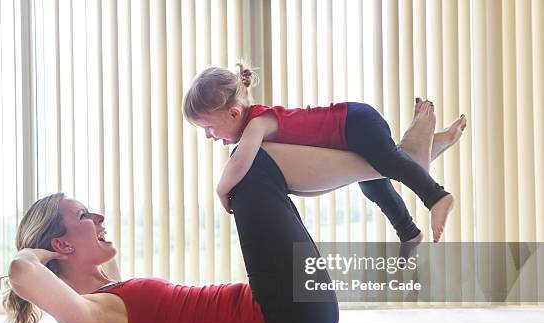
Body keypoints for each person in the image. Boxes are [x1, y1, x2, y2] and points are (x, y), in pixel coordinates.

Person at [0, 100, 465, 323]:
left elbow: (91, 261)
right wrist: (39, 254)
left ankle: (397, 161)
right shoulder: (92, 318)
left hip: (285, 310)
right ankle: (398, 161)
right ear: (59, 244)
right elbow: (22, 271)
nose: (99, 218)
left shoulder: (107, 289)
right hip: (284, 322)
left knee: (260, 163)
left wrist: (70, 247)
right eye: (84, 216)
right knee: (247, 164)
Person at [183, 64, 466, 242]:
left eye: (208, 127)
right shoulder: (257, 121)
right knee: (374, 187)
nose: (209, 136)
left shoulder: (258, 122)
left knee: (392, 163)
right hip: (351, 131)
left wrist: (222, 189)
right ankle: (409, 232)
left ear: (234, 113)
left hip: (353, 123)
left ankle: (437, 196)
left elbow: (241, 160)